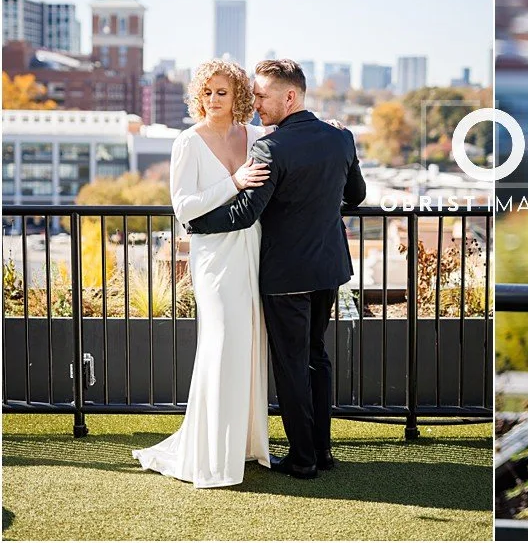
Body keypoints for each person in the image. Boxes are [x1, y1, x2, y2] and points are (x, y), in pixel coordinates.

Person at [186, 59, 367, 481]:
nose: (255, 105)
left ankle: (303, 459)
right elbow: (356, 195)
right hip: (328, 267)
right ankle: (322, 451)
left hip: (286, 275)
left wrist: (195, 223)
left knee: (291, 366)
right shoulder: (341, 137)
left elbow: (245, 214)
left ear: (289, 97)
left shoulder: (271, 148)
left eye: (262, 97)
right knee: (316, 357)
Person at [132, 59, 273, 487]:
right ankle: (212, 453)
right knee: (222, 342)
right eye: (207, 92)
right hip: (213, 256)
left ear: (238, 96)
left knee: (249, 343)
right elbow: (184, 208)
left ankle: (244, 445)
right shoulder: (188, 142)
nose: (213, 99)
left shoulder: (256, 136)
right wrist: (235, 182)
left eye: (222, 92)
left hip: (253, 250)